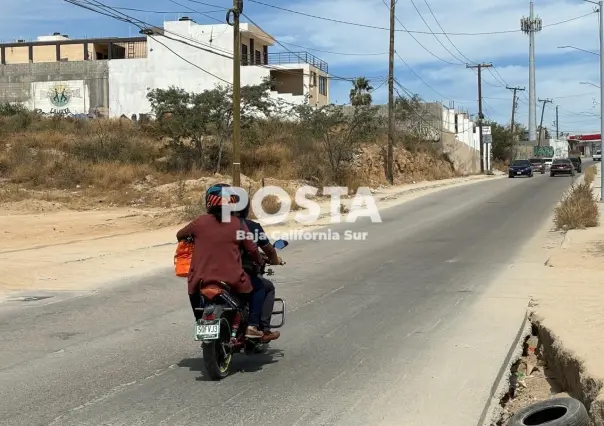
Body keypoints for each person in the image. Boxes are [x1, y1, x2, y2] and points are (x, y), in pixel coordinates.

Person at [176, 183, 265, 339]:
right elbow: (252, 249)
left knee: (193, 293)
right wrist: (258, 261)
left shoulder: (199, 222)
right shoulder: (238, 224)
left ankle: (200, 321)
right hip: (232, 279)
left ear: (209, 202)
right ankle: (250, 325)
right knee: (256, 289)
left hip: (200, 280)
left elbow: (179, 234)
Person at [234, 195, 283, 343]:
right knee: (266, 287)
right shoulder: (252, 227)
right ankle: (261, 328)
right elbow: (268, 250)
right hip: (241, 275)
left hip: (215, 274)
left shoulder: (216, 227)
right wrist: (275, 260)